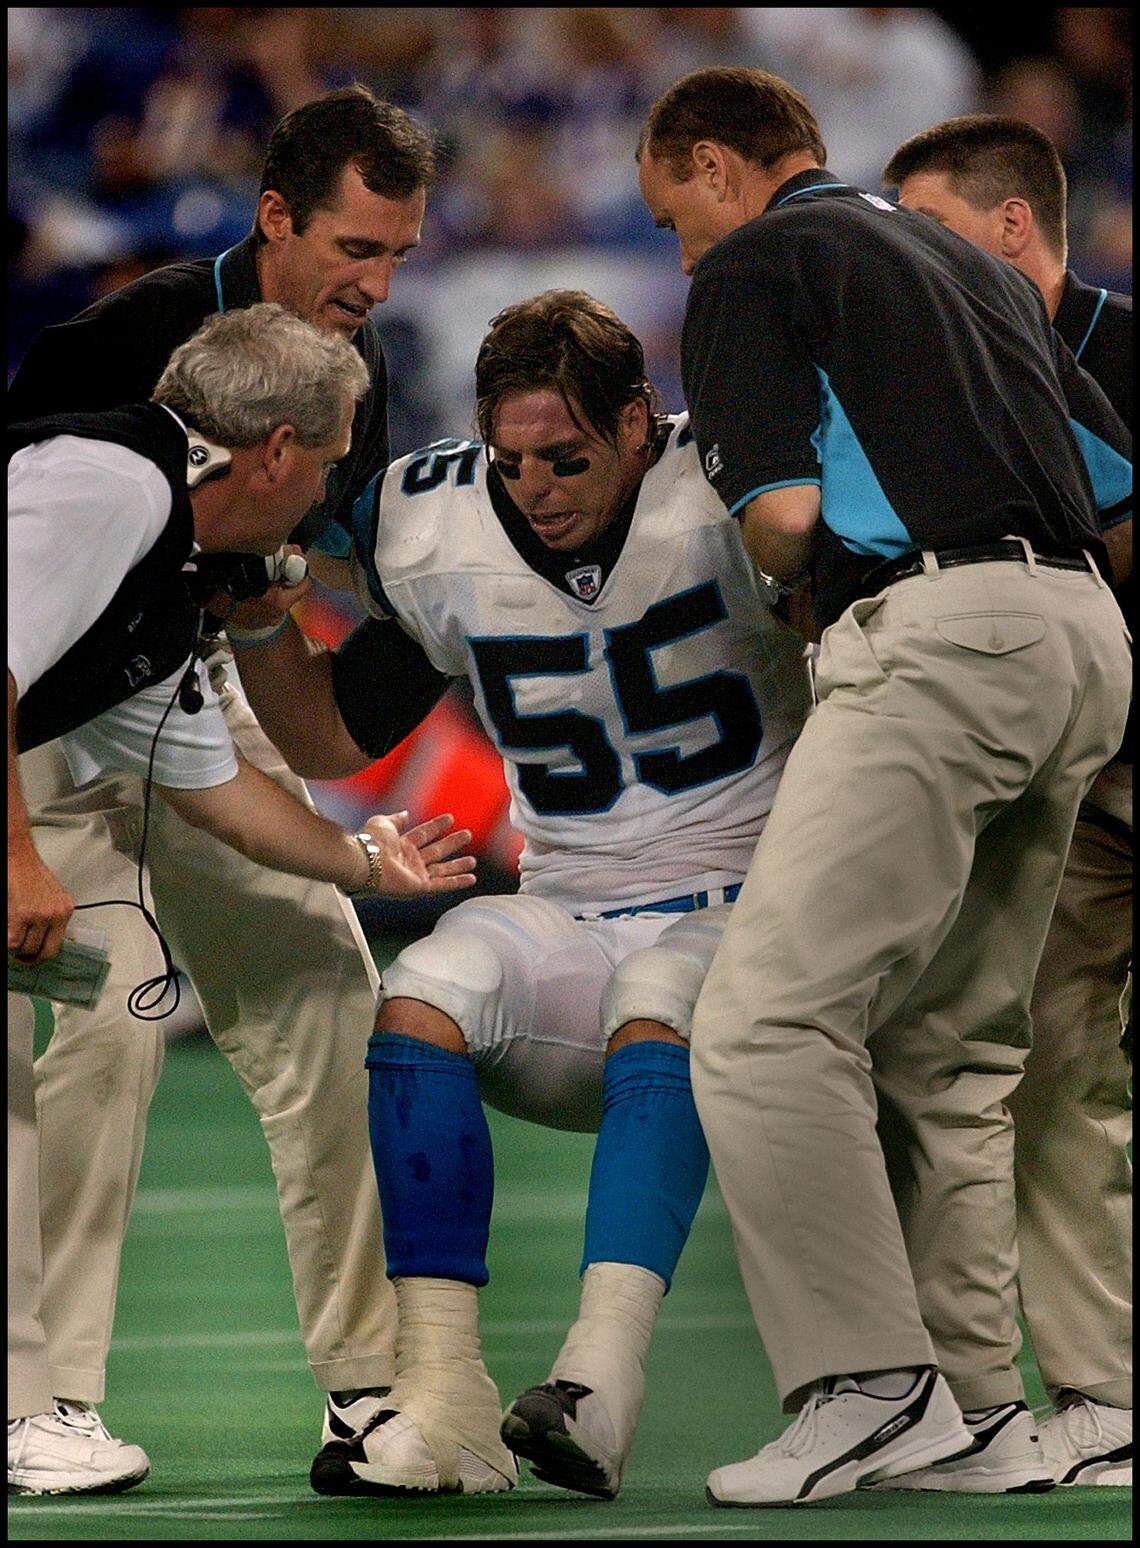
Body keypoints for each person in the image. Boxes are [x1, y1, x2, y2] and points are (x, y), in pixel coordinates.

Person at [637, 66, 1131, 1507]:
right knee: (953, 1055)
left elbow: (786, 527)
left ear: (720, 169)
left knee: (764, 1023)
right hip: (1084, 647)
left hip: (942, 636)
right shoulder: (977, 268)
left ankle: (866, 1385)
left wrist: (815, 572)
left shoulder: (757, 264)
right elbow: (1115, 488)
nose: (682, 250)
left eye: (676, 216)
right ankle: (979, 1411)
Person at [227, 290, 814, 1498]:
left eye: (568, 458)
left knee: (660, 985)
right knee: (429, 981)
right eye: (513, 459)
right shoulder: (433, 523)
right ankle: (447, 1400)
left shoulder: (735, 483)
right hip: (571, 903)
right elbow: (331, 740)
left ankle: (599, 1382)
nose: (537, 487)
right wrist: (262, 627)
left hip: (750, 903)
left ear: (641, 424)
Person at [5, 85, 441, 1494]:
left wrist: (369, 863)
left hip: (160, 699)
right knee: (104, 1025)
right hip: (37, 743)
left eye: (397, 259)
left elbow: (263, 732)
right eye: (354, 251)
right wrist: (18, 861)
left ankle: (371, 1391)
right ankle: (35, 1401)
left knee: (327, 981)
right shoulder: (110, 370)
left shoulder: (344, 387)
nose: (371, 287)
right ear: (276, 221)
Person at [883, 114, 1132, 1490]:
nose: (907, 263)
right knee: (1055, 1075)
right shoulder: (943, 378)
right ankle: (1104, 1394)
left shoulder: (1119, 355)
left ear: (1013, 226)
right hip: (1075, 787)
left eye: (928, 231)